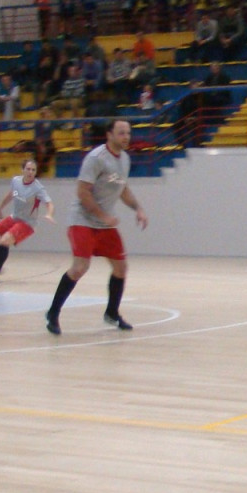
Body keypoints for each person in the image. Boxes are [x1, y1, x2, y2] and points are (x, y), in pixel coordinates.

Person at [45, 118, 149, 335]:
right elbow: (82, 192)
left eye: (128, 133)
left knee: (121, 267)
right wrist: (103, 216)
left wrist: (138, 208)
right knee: (80, 267)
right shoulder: (96, 158)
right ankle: (53, 313)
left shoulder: (125, 160)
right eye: (121, 133)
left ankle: (111, 313)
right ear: (109, 134)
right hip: (82, 219)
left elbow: (123, 189)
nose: (126, 137)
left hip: (105, 223)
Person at [0, 159, 55, 285]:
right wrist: (0, 209)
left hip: (27, 223)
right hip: (14, 218)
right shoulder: (16, 181)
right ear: (23, 170)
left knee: (4, 241)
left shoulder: (38, 188)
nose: (31, 172)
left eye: (33, 170)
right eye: (28, 169)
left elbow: (49, 203)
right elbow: (11, 195)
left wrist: (49, 214)